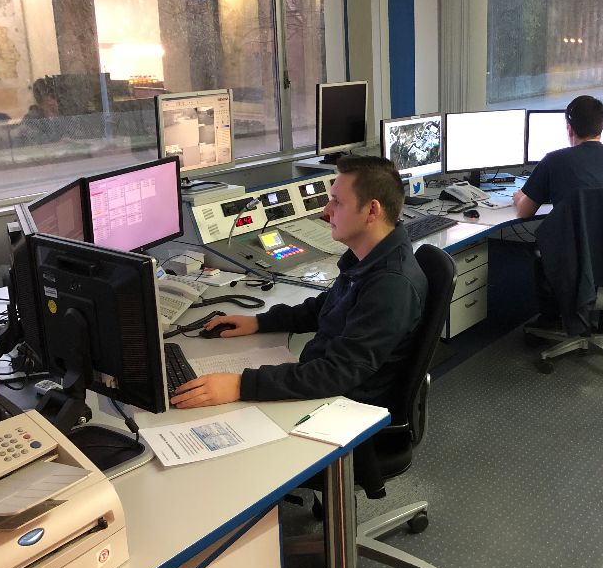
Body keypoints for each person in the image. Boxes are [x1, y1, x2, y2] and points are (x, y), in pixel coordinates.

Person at [171, 155, 428, 410]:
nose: (326, 211)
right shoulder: (367, 257)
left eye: (337, 202)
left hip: (347, 405)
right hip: (327, 381)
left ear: (372, 210)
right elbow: (326, 308)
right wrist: (260, 322)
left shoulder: (392, 285)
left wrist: (241, 385)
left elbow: (337, 374)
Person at [513, 94, 603, 325]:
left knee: (541, 250)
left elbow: (524, 212)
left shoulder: (554, 161)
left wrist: (519, 197)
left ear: (569, 128)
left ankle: (551, 320)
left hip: (572, 260)